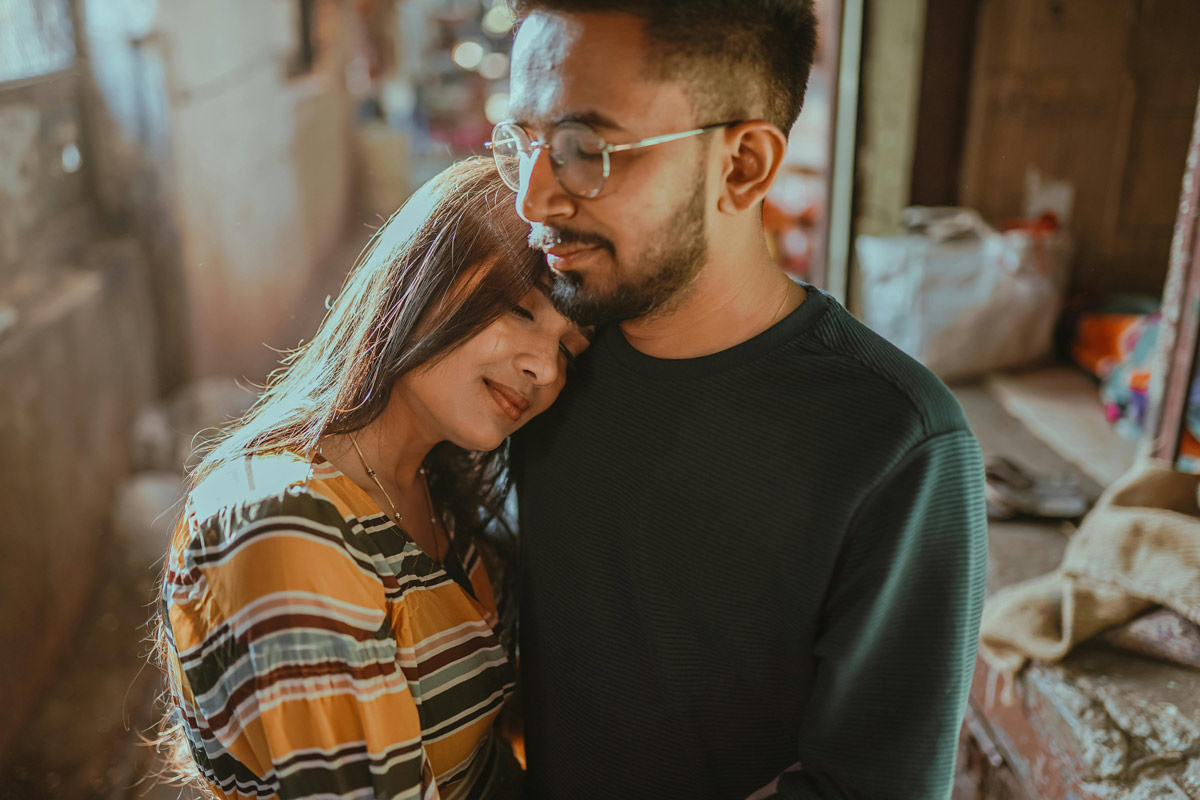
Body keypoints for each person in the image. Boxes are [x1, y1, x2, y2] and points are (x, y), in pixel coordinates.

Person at [491, 2, 990, 798]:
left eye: (586, 149)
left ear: (744, 165)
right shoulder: (539, 366)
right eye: (521, 142)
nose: (533, 198)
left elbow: (867, 786)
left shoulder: (895, 444)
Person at [153, 158, 590, 800]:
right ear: (424, 279)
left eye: (569, 349)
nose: (544, 370)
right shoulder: (282, 523)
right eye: (523, 313)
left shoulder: (434, 491)